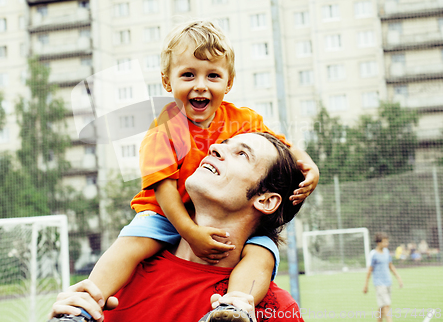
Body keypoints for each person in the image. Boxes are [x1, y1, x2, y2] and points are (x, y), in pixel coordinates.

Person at [85, 20, 319, 321]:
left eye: (213, 75)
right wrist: (190, 232)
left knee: (263, 250)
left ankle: (233, 307)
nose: (200, 85)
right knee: (131, 244)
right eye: (188, 75)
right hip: (163, 213)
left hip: (207, 226)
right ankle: (87, 302)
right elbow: (164, 188)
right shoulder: (165, 129)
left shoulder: (241, 120)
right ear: (167, 82)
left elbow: (281, 147)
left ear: (228, 82)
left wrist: (307, 163)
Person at [50, 132, 306, 322]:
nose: (215, 147)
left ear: (266, 200)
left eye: (242, 154)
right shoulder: (115, 278)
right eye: (223, 144)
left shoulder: (273, 309)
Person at [363, 232, 403, 322]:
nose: (387, 244)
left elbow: (390, 266)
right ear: (378, 243)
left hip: (388, 282)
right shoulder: (373, 254)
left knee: (382, 306)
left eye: (387, 242)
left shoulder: (387, 252)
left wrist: (398, 278)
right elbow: (369, 270)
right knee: (386, 306)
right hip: (379, 284)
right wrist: (366, 285)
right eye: (384, 242)